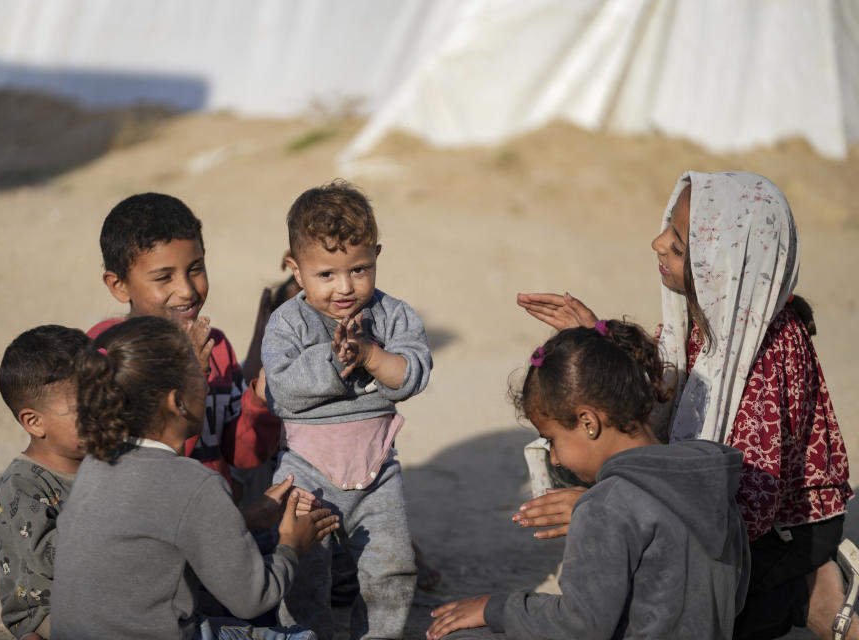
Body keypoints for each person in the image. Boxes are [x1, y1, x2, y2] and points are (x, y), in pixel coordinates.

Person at [516, 171, 857, 640]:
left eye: (678, 246)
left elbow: (745, 507)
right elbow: (655, 394)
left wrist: (610, 509)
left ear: (725, 269)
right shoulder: (708, 318)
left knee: (686, 607)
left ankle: (809, 587)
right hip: (717, 514)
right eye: (668, 230)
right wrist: (598, 342)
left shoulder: (768, 350)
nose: (657, 243)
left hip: (775, 533)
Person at [426, 320, 750, 639]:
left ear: (588, 423)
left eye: (552, 439)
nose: (553, 458)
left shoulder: (605, 506)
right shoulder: (708, 478)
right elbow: (735, 599)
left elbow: (578, 625)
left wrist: (495, 608)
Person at [51, 316, 340, 640]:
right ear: (178, 403)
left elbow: (160, 535)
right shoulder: (196, 483)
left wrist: (246, 519)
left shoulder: (96, 462)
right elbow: (252, 597)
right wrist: (291, 545)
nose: (207, 383)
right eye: (201, 375)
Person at [262, 180, 433, 640]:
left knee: (392, 569)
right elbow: (281, 391)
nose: (345, 288)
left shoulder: (393, 316)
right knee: (305, 574)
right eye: (326, 275)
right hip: (306, 472)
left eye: (359, 270)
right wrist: (335, 361)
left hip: (377, 471)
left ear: (376, 255)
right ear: (297, 271)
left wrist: (371, 355)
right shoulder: (288, 322)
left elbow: (414, 374)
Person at [88, 192, 281, 500]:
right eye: (164, 277)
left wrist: (260, 399)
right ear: (119, 285)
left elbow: (244, 456)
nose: (187, 290)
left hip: (217, 517)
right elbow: (150, 467)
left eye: (195, 269)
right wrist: (191, 376)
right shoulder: (109, 354)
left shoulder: (214, 345)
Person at [0, 324, 90, 640]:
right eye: (85, 408)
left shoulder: (103, 456)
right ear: (34, 422)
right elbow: (50, 559)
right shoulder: (22, 487)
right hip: (48, 610)